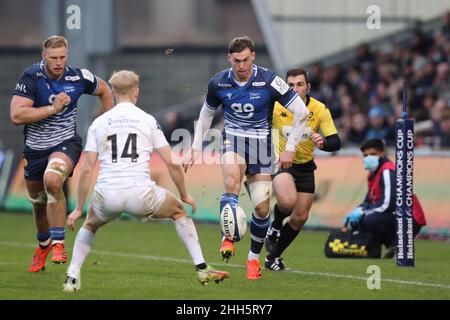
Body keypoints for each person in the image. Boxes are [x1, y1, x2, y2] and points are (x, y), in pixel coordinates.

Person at [63, 70, 229, 292]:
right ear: (136, 92)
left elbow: (85, 169)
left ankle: (72, 278)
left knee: (90, 224)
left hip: (107, 193)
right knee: (179, 211)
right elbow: (172, 163)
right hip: (140, 193)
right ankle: (201, 267)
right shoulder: (147, 120)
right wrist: (184, 195)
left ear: (112, 92)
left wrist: (78, 208)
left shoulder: (99, 123)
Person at [183, 36, 310, 280]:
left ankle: (253, 259)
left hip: (262, 146)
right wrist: (196, 147)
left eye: (246, 60)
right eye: (236, 61)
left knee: (262, 208)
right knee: (231, 180)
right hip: (233, 140)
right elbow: (206, 114)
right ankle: (228, 237)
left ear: (253, 56)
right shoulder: (218, 82)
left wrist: (291, 148)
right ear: (228, 59)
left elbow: (301, 113)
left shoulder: (270, 80)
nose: (241, 66)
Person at [9, 35, 114, 272]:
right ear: (43, 55)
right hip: (35, 149)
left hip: (66, 144)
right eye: (53, 57)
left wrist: (109, 124)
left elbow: (105, 89)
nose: (58, 62)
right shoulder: (31, 77)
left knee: (53, 180)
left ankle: (59, 244)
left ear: (67, 55)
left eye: (62, 57)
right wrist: (51, 109)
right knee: (38, 203)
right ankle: (44, 244)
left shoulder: (78, 76)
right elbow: (16, 116)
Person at [264, 68, 341, 270]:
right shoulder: (276, 106)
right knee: (288, 201)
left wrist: (323, 142)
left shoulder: (319, 109)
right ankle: (274, 226)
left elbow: (336, 141)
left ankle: (273, 258)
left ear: (308, 87)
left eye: (299, 84)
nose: (295, 89)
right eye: (290, 85)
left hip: (306, 166)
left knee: (300, 218)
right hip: (282, 164)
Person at [345, 138, 425, 258]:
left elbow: (388, 204)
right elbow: (369, 201)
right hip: (395, 215)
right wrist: (355, 213)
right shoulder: (373, 173)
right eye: (365, 155)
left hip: (410, 217)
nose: (368, 158)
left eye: (372, 154)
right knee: (361, 219)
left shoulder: (388, 171)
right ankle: (382, 248)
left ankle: (400, 245)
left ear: (382, 153)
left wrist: (363, 213)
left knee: (368, 220)